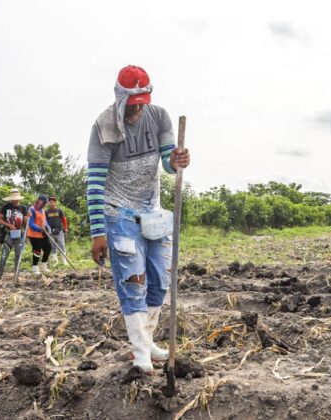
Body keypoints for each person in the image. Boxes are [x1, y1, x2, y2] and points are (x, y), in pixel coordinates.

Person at [87, 65, 190, 373]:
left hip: (152, 210)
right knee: (134, 281)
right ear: (120, 99)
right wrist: (97, 232)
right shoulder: (104, 127)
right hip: (118, 212)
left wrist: (176, 161)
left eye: (141, 104)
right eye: (131, 105)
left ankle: (150, 342)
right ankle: (140, 351)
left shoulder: (159, 117)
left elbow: (170, 164)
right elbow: (94, 183)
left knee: (160, 277)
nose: (136, 111)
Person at [0, 189, 27, 279]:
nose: (14, 200)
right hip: (9, 233)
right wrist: (9, 225)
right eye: (13, 198)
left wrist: (29, 218)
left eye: (16, 198)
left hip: (19, 234)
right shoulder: (6, 207)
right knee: (4, 254)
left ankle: (16, 276)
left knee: (18, 255)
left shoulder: (23, 208)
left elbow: (26, 221)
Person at [26, 195, 52, 275]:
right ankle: (35, 268)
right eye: (44, 203)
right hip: (34, 234)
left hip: (43, 234)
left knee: (48, 248)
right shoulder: (32, 210)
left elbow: (44, 220)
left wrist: (47, 226)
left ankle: (44, 267)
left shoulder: (42, 210)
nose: (45, 205)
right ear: (40, 202)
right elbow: (30, 223)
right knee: (37, 251)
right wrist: (40, 229)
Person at [45, 196, 69, 266]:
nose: (51, 203)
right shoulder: (46, 212)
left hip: (59, 230)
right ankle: (54, 262)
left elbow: (64, 219)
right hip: (50, 231)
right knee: (52, 246)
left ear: (55, 203)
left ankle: (64, 261)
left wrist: (65, 227)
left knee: (62, 245)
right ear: (48, 203)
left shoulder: (59, 210)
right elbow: (45, 221)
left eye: (53, 202)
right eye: (50, 202)